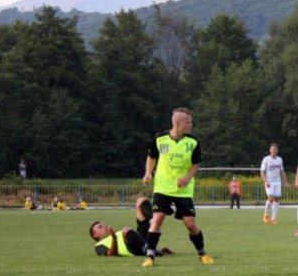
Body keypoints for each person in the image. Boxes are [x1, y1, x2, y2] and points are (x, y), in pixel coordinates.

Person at [141, 107, 214, 266]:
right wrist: (148, 173)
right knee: (157, 219)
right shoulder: (160, 139)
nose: (191, 125)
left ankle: (202, 252)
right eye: (188, 122)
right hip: (163, 188)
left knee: (190, 224)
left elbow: (196, 164)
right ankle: (150, 256)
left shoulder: (192, 142)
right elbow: (151, 156)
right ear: (177, 123)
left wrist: (187, 178)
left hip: (183, 190)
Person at [89, 196, 175, 258]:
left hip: (138, 241)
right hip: (134, 250)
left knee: (141, 201)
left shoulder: (116, 234)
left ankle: (153, 226)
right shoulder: (99, 246)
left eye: (103, 225)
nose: (104, 226)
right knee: (126, 231)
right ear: (95, 235)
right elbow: (111, 254)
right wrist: (114, 238)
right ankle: (151, 249)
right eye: (100, 227)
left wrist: (137, 207)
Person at [260, 143, 284, 223]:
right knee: (271, 198)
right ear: (270, 150)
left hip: (277, 181)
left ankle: (273, 218)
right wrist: (266, 181)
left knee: (277, 199)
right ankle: (266, 214)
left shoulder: (280, 159)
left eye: (276, 149)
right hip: (269, 181)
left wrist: (285, 181)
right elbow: (262, 172)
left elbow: (282, 171)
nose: (274, 150)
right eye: (273, 149)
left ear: (277, 151)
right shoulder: (266, 159)